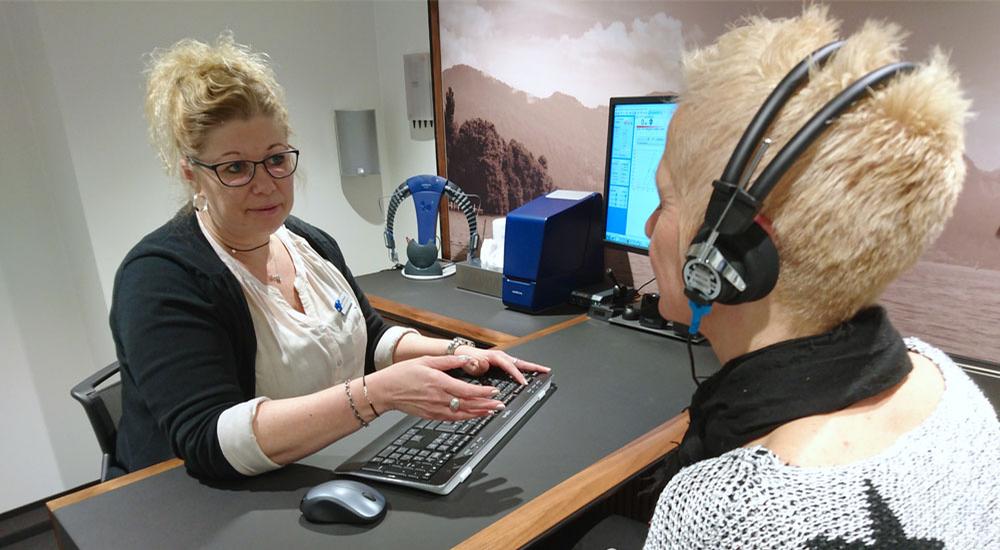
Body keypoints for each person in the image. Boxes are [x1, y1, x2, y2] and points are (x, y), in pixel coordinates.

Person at [629, 7, 998, 549]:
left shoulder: (727, 511)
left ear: (728, 253)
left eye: (664, 201)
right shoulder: (953, 390)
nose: (648, 227)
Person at [110, 34, 547, 480]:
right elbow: (210, 441)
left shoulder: (307, 242)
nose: (265, 184)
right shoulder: (158, 279)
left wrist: (459, 352)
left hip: (315, 470)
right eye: (235, 167)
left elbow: (369, 340)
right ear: (192, 173)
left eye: (276, 159)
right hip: (200, 503)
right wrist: (378, 395)